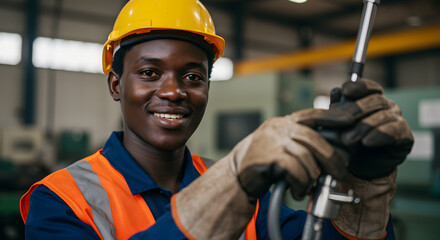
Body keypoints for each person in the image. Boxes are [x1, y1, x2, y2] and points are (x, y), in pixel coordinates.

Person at [20, 0, 414, 239]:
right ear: (116, 84)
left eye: (193, 76)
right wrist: (227, 189)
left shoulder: (250, 193)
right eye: (150, 73)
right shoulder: (62, 199)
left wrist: (365, 186)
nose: (174, 91)